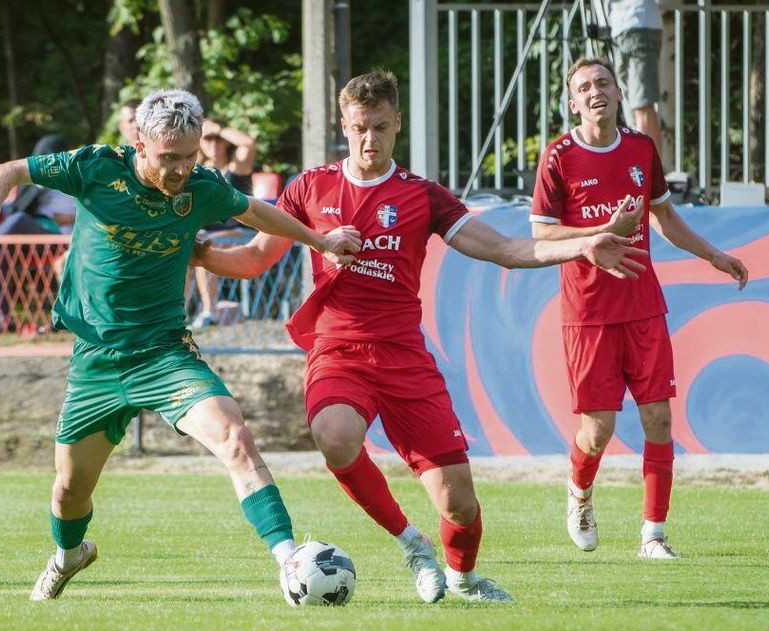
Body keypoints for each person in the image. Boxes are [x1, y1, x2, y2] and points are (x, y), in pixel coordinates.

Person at [195, 69, 647, 603]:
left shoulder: (420, 196)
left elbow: (504, 249)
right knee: (335, 436)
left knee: (460, 507)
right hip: (337, 349)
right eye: (359, 127)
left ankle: (463, 577)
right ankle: (411, 543)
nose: (369, 139)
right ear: (344, 124)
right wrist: (199, 252)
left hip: (404, 356)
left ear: (398, 124)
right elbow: (252, 259)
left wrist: (585, 244)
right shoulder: (310, 187)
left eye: (380, 127)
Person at [0, 89, 362, 601]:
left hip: (164, 353)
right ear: (139, 143)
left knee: (235, 438)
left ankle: (287, 560)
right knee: (70, 490)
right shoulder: (94, 168)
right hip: (96, 359)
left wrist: (320, 240)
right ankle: (68, 556)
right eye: (169, 157)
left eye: (190, 157)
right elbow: (9, 171)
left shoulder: (202, 187)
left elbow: (258, 213)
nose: (180, 171)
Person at [530, 57, 748, 559]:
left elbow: (665, 216)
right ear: (572, 103)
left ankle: (653, 534)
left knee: (659, 420)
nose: (594, 92)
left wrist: (715, 255)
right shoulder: (558, 158)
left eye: (602, 82)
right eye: (583, 87)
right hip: (587, 312)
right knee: (598, 429)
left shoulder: (640, 148)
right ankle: (580, 492)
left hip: (644, 305)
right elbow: (541, 233)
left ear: (617, 90)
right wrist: (603, 232)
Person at [0, 133, 77, 332]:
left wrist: (64, 217)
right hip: (35, 238)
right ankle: (3, 320)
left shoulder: (75, 182)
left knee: (16, 223)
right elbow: (15, 208)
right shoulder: (37, 184)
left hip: (64, 239)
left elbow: (85, 213)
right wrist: (39, 184)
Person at [188, 118, 259, 329]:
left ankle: (209, 312)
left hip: (239, 232)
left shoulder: (237, 166)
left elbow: (249, 144)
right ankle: (177, 314)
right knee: (183, 251)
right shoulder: (196, 170)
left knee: (205, 249)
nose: (213, 143)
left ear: (226, 141)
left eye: (218, 139)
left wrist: (217, 128)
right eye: (207, 139)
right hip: (206, 233)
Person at [605, 0, 664, 159]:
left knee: (642, 106)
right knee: (630, 109)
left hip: (639, 23)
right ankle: (639, 172)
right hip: (619, 28)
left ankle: (651, 176)